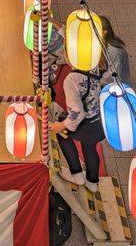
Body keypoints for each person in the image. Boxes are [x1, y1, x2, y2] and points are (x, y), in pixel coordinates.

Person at [49, 64, 105, 193]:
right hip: (97, 120)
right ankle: (92, 182)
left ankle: (77, 175)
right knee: (90, 148)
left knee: (63, 136)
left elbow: (77, 111)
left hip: (83, 123)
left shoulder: (72, 79)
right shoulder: (93, 66)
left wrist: (62, 125)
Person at [99, 15, 131, 87]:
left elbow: (113, 75)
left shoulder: (114, 50)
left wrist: (96, 83)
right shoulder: (103, 45)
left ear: (104, 32)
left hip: (119, 90)